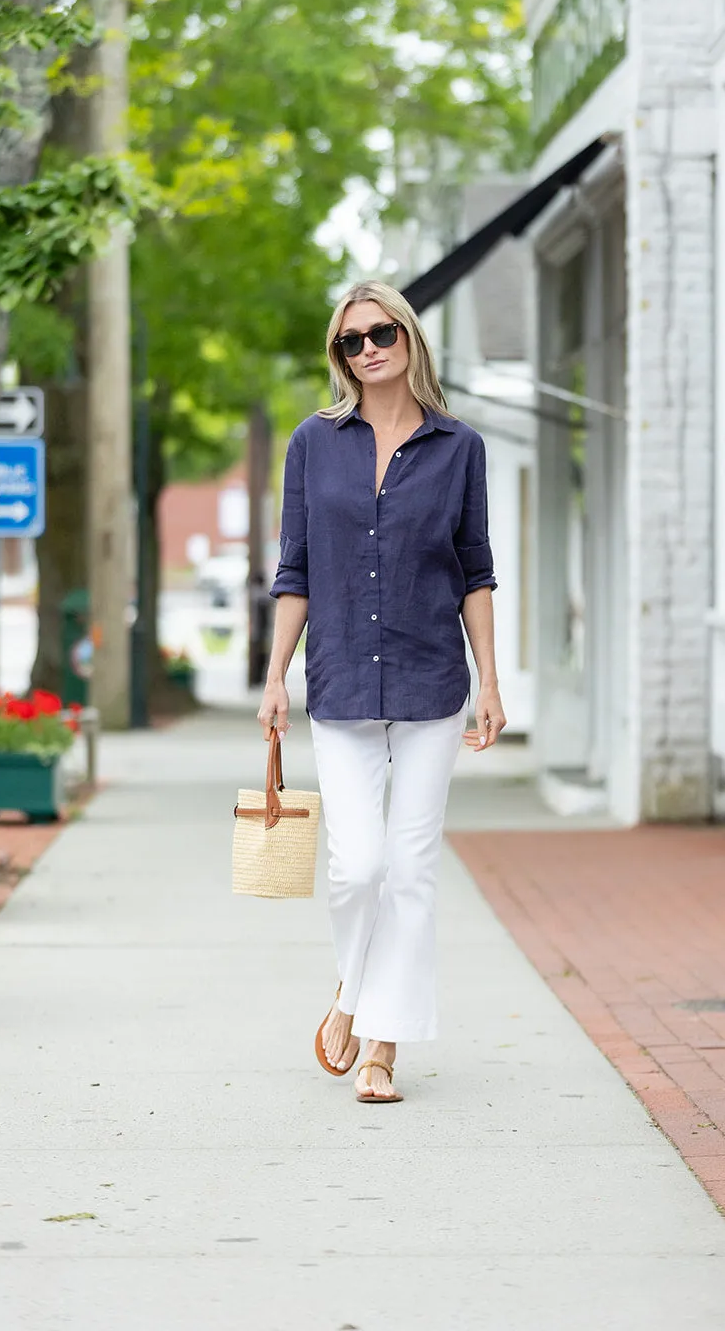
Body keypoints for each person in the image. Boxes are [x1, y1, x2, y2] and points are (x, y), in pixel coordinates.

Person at [258, 280, 506, 1104]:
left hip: (432, 678)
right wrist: (275, 677)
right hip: (339, 678)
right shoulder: (312, 442)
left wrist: (491, 682)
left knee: (410, 871)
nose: (366, 349)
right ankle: (353, 986)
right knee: (357, 867)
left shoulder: (459, 447)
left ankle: (380, 1048)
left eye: (379, 333)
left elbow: (475, 571)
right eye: (349, 341)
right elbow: (294, 569)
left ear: (407, 337)